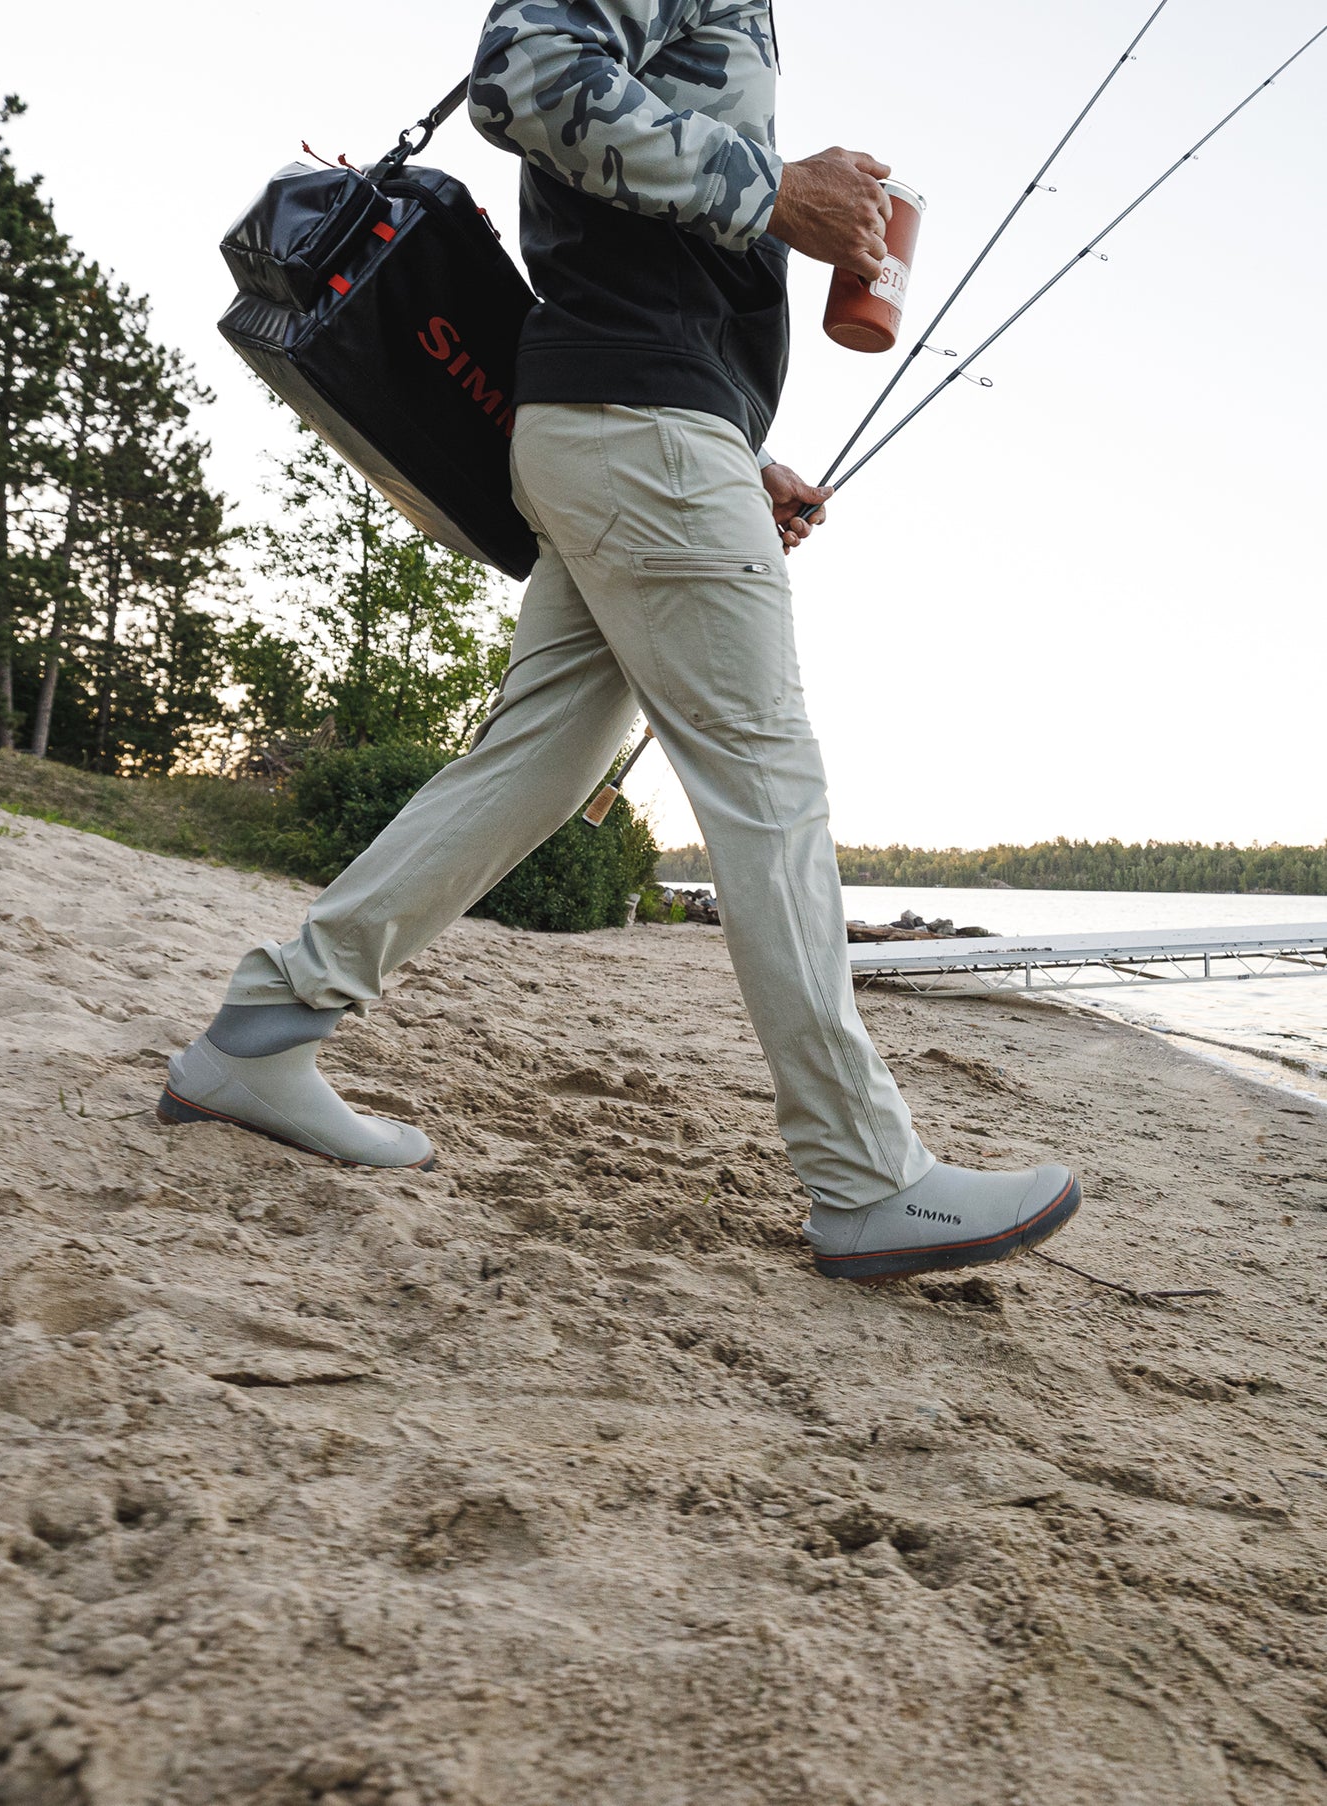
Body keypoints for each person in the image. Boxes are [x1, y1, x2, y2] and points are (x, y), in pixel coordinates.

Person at [159, 0, 1081, 1283]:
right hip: (639, 428)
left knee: (532, 765)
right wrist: (775, 190)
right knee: (765, 779)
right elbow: (523, 72)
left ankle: (260, 1034)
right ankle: (866, 1176)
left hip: (632, 424)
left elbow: (635, 258)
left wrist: (738, 451)